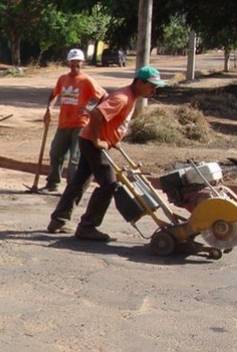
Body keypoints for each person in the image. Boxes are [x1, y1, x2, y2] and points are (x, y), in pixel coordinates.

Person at [47, 65, 166, 241]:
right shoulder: (123, 97)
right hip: (92, 143)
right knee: (109, 185)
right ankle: (87, 226)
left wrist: (113, 139)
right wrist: (97, 140)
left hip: (89, 140)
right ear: (139, 82)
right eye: (151, 86)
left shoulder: (131, 95)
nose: (154, 90)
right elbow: (96, 114)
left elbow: (112, 121)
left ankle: (58, 220)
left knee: (79, 182)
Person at [43, 49, 107, 192]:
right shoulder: (62, 79)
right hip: (63, 123)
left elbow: (104, 96)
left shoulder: (87, 80)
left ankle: (71, 190)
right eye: (72, 61)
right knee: (55, 154)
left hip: (80, 124)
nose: (74, 64)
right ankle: (52, 184)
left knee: (74, 160)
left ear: (82, 62)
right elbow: (54, 94)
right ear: (68, 62)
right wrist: (49, 108)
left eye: (77, 61)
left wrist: (92, 110)